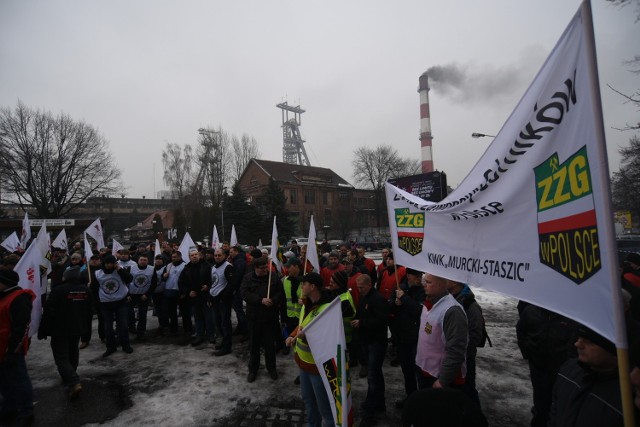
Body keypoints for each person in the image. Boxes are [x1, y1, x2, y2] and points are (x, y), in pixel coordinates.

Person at [285, 272, 336, 427]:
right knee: (308, 401)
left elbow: (328, 337)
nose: (301, 287)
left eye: (304, 284)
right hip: (303, 363)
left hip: (318, 367)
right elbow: (302, 325)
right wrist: (292, 335)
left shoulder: (327, 309)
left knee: (325, 408)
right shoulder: (306, 304)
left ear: (312, 287)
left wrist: (305, 337)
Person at [548, 325, 623, 426]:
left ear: (614, 351)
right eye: (579, 337)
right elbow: (555, 413)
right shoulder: (568, 369)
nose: (577, 344)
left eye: (589, 342)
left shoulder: (626, 398)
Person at [516, 303, 577, 427]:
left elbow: (575, 340)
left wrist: (569, 363)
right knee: (540, 403)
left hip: (561, 369)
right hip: (538, 366)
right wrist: (527, 352)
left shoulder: (570, 314)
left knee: (560, 404)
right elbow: (521, 330)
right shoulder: (531, 311)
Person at [38, 266, 92, 399]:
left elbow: (49, 311)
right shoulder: (86, 290)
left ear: (66, 276)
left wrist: (43, 329)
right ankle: (70, 376)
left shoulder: (58, 290)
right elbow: (90, 310)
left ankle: (73, 381)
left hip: (60, 329)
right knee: (73, 353)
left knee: (61, 357)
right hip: (77, 328)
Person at [415, 273, 468, 391]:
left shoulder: (452, 311)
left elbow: (456, 349)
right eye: (425, 281)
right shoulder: (428, 303)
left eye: (428, 282)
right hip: (424, 370)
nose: (424, 285)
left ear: (441, 285)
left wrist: (443, 380)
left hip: (439, 378)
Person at [351, 274, 389, 427]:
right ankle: (380, 402)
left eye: (361, 287)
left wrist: (361, 322)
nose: (358, 290)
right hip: (367, 342)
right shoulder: (365, 297)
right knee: (376, 374)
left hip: (376, 343)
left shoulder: (378, 299)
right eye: (357, 287)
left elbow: (382, 322)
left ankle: (369, 412)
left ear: (369, 284)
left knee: (372, 378)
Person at [241, 256, 285, 382]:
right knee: (254, 345)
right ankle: (253, 370)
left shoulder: (274, 277)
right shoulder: (248, 278)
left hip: (269, 317)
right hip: (254, 317)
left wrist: (274, 300)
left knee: (270, 346)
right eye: (262, 268)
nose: (265, 270)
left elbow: (280, 293)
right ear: (255, 268)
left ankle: (272, 368)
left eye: (266, 267)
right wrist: (260, 300)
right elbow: (244, 294)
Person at [0, 270, 35, 426]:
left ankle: (26, 412)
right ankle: (9, 407)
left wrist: (13, 350)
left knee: (19, 381)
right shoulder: (3, 296)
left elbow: (21, 328)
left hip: (11, 349)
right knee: (3, 381)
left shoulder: (18, 299)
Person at [388, 268, 425, 409]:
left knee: (419, 372)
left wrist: (404, 298)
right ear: (409, 276)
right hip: (401, 337)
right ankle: (411, 398)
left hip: (416, 338)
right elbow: (389, 307)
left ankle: (422, 402)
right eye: (417, 276)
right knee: (407, 370)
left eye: (420, 275)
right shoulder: (399, 288)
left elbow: (419, 311)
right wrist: (395, 303)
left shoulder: (422, 291)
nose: (420, 279)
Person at [446, 279, 487, 406]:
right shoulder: (449, 299)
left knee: (467, 390)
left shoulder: (470, 305)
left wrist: (459, 349)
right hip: (451, 356)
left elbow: (475, 335)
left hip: (465, 357)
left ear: (454, 282)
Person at [96, 254, 134, 357]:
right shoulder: (98, 273)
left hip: (120, 302)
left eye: (112, 263)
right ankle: (111, 346)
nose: (109, 265)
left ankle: (125, 345)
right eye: (107, 263)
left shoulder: (119, 271)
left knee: (123, 325)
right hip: (105, 303)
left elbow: (129, 279)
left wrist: (119, 270)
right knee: (108, 327)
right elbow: (95, 287)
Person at [180, 249, 215, 347]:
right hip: (194, 297)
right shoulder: (186, 268)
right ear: (189, 257)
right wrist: (188, 292)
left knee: (208, 317)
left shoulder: (207, 266)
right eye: (192, 255)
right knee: (198, 318)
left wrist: (208, 286)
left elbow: (213, 279)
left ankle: (211, 335)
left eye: (196, 254)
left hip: (205, 296)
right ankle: (199, 336)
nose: (194, 256)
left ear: (199, 256)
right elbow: (181, 282)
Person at [209, 248, 235, 356]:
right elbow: (212, 283)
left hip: (223, 301)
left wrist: (223, 296)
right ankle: (223, 342)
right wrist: (210, 297)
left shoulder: (228, 267)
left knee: (225, 324)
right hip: (214, 299)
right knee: (217, 322)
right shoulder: (213, 267)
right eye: (215, 255)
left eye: (219, 255)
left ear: (224, 255)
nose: (217, 257)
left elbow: (232, 284)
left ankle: (227, 346)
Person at [128, 255, 155, 341]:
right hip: (131, 294)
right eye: (141, 259)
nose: (143, 261)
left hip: (144, 295)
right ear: (138, 260)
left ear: (147, 261)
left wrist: (147, 294)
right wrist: (127, 294)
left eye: (145, 260)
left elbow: (154, 283)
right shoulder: (131, 268)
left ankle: (141, 332)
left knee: (142, 315)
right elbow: (125, 281)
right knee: (129, 313)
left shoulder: (152, 269)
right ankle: (132, 327)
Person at [162, 251, 188, 335]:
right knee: (171, 312)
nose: (173, 258)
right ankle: (173, 328)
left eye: (175, 257)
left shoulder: (185, 266)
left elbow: (187, 280)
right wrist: (164, 276)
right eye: (172, 257)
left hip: (180, 292)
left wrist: (184, 292)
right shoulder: (168, 266)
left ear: (180, 257)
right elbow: (163, 278)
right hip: (169, 291)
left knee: (184, 312)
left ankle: (187, 328)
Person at [281, 257, 303, 356]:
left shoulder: (304, 281)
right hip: (289, 314)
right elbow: (283, 299)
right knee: (288, 331)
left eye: (289, 267)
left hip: (301, 315)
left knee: (300, 335)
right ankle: (286, 345)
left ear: (296, 267)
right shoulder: (285, 280)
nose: (287, 269)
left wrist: (305, 301)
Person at [229, 245, 248, 339]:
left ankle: (245, 330)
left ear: (236, 251)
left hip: (238, 289)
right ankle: (241, 327)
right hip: (238, 289)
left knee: (239, 310)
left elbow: (238, 276)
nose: (230, 254)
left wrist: (234, 288)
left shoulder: (239, 261)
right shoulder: (236, 260)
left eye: (231, 252)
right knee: (238, 310)